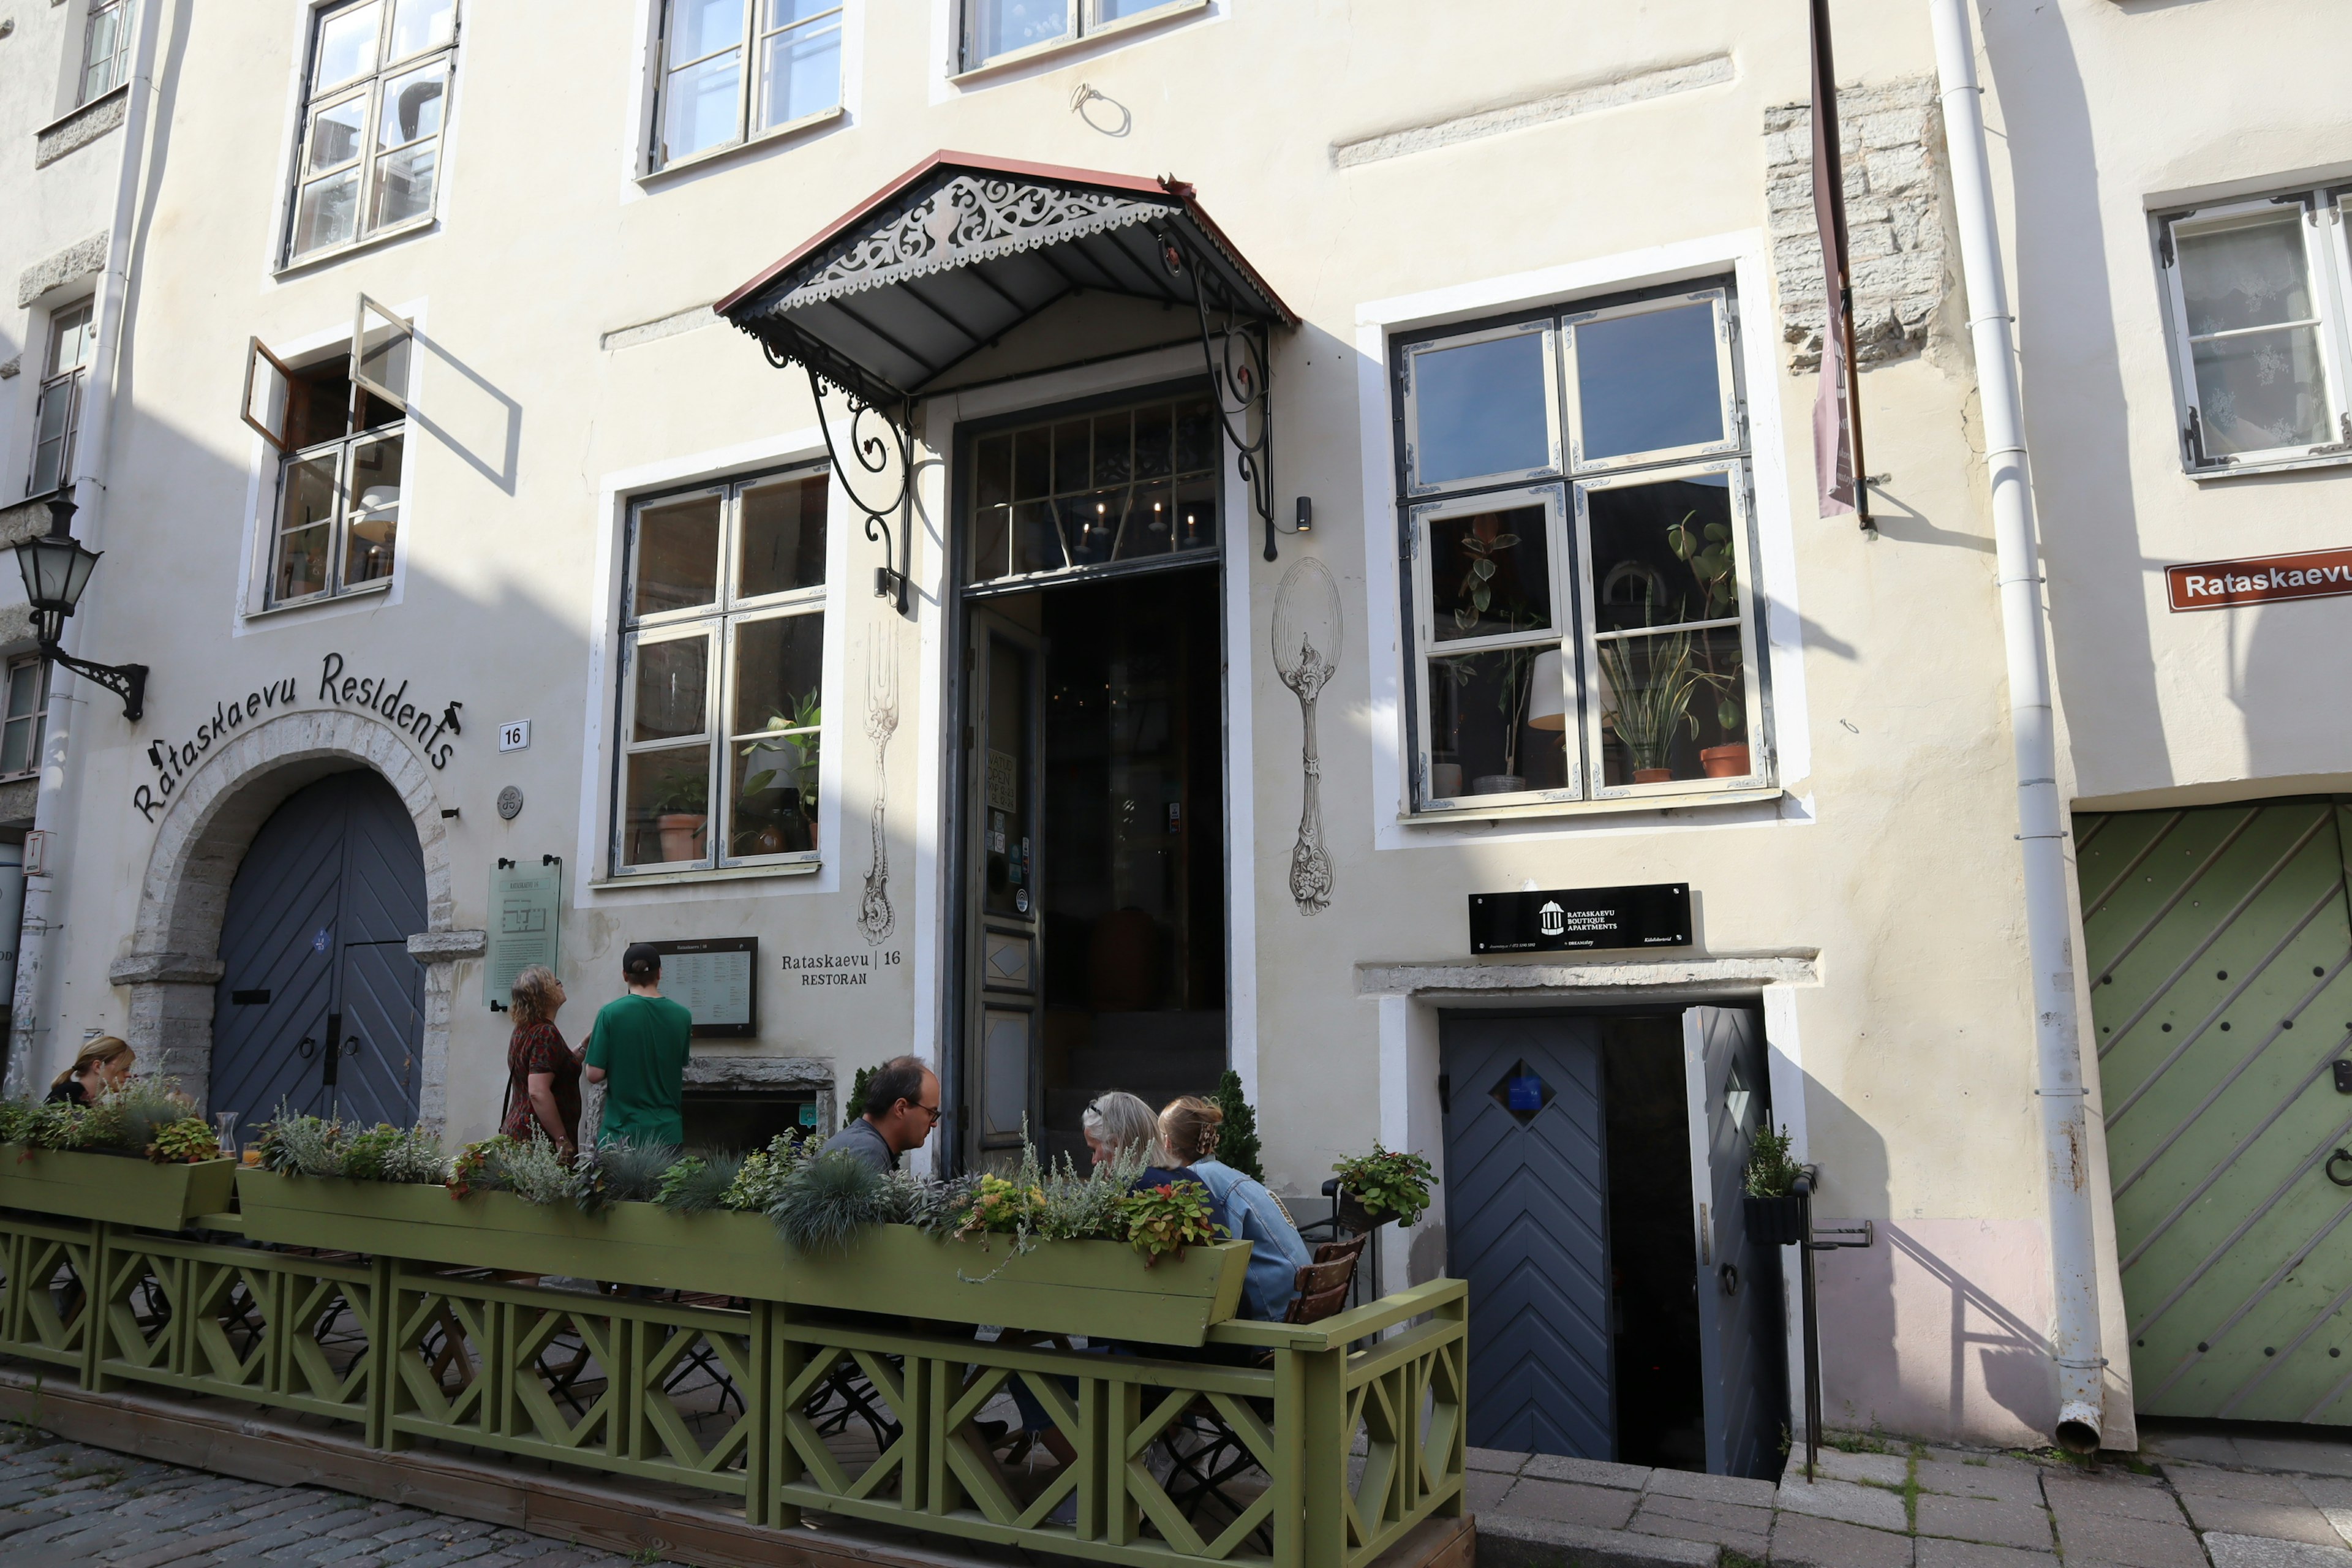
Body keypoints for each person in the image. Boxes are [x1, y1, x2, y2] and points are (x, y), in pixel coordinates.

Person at [1153, 1095, 1314, 1322]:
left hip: (1276, 1314)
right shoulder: (1223, 1173)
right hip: (1299, 1301)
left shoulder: (1198, 1181)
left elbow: (1217, 1264)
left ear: (1167, 1142)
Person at [582, 943, 693, 1146]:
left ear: (625, 975)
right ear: (660, 973)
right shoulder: (683, 1016)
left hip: (621, 1134)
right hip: (667, 1135)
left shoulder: (610, 1014)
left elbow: (594, 1074)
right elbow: (680, 1062)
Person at [499, 965, 583, 1153]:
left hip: (521, 1131)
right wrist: (561, 1139)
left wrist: (584, 1046)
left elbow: (556, 1067)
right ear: (545, 995)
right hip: (539, 1140)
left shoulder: (524, 1029)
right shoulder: (545, 1033)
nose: (561, 986)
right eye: (556, 983)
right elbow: (538, 1091)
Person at [820, 1055, 938, 1174]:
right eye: (931, 1112)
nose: (934, 1123)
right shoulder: (866, 1153)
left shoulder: (861, 1144)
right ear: (901, 1109)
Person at [1082, 1090, 1162, 1170]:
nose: (1094, 1161)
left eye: (1094, 1150)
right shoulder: (1168, 1179)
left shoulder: (1136, 1182)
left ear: (1115, 1144)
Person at [47, 1037, 134, 1106]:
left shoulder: (91, 1102)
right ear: (98, 1067)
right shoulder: (67, 1095)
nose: (128, 1075)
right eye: (124, 1068)